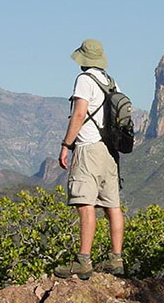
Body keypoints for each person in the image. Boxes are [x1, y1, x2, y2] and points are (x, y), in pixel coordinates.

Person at [54, 39, 124, 280]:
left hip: (89, 149)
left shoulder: (84, 80)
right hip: (110, 152)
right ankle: (117, 260)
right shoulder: (111, 82)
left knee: (86, 202)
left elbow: (80, 113)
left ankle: (83, 261)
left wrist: (66, 145)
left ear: (83, 59)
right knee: (112, 205)